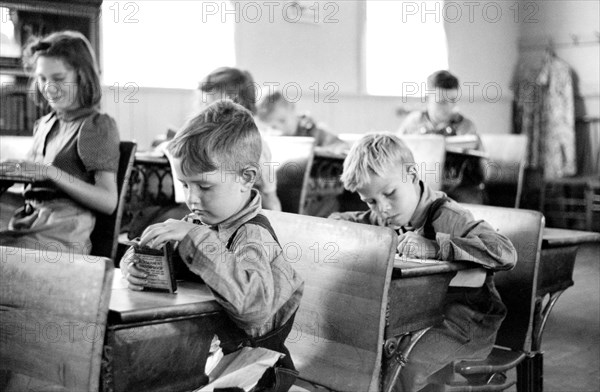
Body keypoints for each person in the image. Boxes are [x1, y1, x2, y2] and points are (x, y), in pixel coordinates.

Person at [121, 100, 304, 391]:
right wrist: (138, 261)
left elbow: (253, 309)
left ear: (246, 178)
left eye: (204, 186)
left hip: (254, 371)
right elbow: (168, 253)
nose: (192, 198)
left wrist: (195, 239)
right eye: (185, 185)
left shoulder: (253, 236)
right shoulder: (200, 224)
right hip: (204, 359)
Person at [329, 133, 516, 391]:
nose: (382, 208)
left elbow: (505, 251)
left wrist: (436, 247)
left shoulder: (449, 215)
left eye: (390, 193)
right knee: (358, 353)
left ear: (413, 175)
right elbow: (338, 221)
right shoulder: (383, 218)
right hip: (416, 319)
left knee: (402, 366)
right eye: (371, 201)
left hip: (466, 322)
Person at [0, 31, 120, 254]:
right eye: (42, 78)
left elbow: (108, 200)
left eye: (58, 78)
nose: (48, 88)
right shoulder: (45, 123)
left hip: (63, 232)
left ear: (82, 76)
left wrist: (51, 173)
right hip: (30, 222)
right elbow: (34, 183)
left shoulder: (95, 126)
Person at [199, 67, 282, 211]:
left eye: (210, 103)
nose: (203, 110)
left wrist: (275, 232)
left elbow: (270, 198)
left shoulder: (252, 143)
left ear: (232, 100)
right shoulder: (212, 138)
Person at [397, 70, 485, 204]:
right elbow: (394, 156)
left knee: (471, 205)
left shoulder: (466, 126)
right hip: (418, 188)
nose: (448, 108)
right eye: (442, 102)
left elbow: (482, 168)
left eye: (453, 101)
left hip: (458, 190)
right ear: (428, 98)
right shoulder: (412, 123)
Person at [256, 90, 347, 152]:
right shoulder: (268, 139)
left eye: (282, 121)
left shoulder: (313, 131)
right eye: (273, 127)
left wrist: (318, 152)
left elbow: (342, 148)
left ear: (292, 108)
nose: (281, 130)